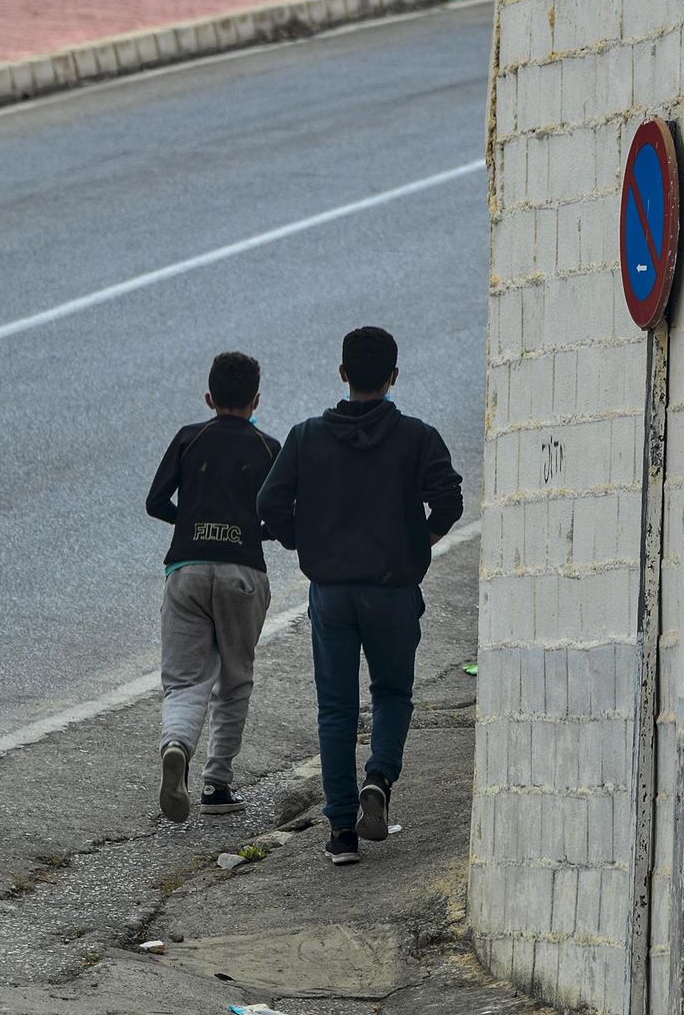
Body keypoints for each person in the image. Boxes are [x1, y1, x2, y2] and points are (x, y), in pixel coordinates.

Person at [257, 327, 462, 865]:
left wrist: (309, 543)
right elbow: (449, 501)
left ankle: (342, 831)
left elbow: (270, 501)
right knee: (392, 693)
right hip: (393, 591)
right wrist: (417, 542)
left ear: (343, 373)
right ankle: (379, 777)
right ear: (394, 377)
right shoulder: (418, 438)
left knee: (336, 708)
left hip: (331, 594)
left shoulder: (306, 438)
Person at [146, 351, 282, 822]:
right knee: (234, 679)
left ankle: (177, 747)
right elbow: (285, 517)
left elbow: (155, 501)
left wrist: (192, 523)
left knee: (185, 679)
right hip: (244, 573)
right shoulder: (268, 447)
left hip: (185, 569)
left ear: (209, 397)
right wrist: (256, 530)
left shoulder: (190, 438)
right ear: (256, 400)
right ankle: (217, 784)